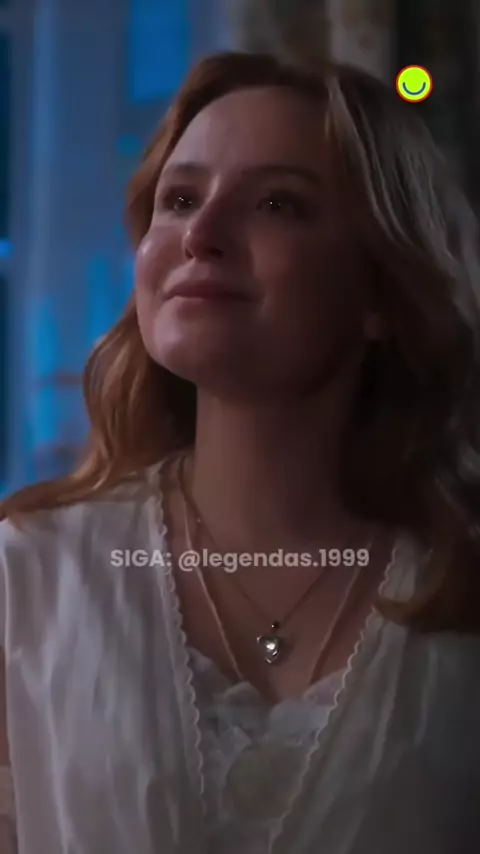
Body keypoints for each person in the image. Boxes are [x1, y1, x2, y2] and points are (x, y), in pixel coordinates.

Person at [1, 50, 480, 854]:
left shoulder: (460, 592)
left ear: (382, 293)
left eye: (277, 204)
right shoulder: (28, 579)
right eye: (180, 199)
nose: (200, 235)